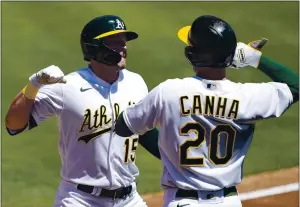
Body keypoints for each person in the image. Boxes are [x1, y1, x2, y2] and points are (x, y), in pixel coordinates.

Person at [114, 15, 299, 207]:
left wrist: (169, 151)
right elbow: (296, 87)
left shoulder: (169, 92)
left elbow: (124, 126)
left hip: (183, 202)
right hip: (229, 202)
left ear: (192, 54)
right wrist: (254, 58)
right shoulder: (248, 96)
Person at [5, 15, 160, 207]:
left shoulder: (136, 82)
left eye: (124, 42)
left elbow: (143, 131)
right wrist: (33, 85)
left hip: (129, 199)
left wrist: (177, 157)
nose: (124, 47)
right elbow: (14, 125)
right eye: (115, 42)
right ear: (94, 48)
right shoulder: (66, 86)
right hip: (80, 199)